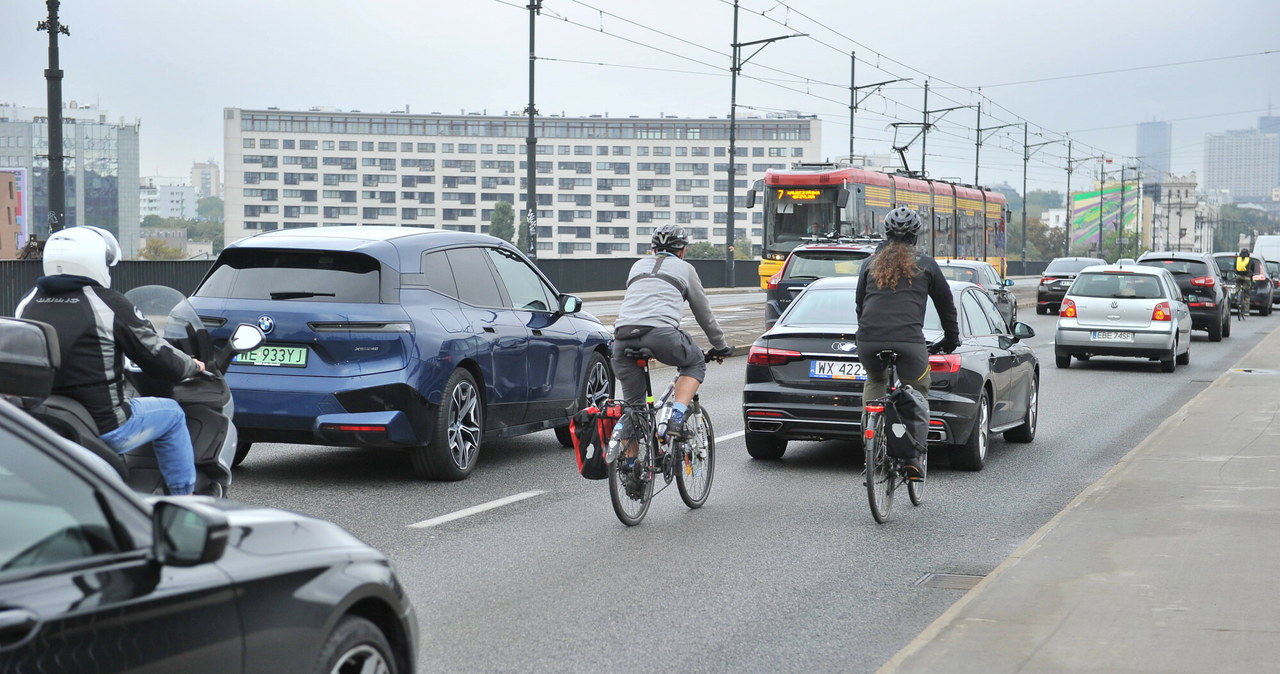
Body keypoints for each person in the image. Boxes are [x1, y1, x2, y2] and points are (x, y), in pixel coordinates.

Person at [16, 226, 205, 495]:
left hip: (41, 422)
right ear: (94, 262)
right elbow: (156, 355)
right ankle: (185, 500)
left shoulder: (27, 303)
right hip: (105, 426)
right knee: (173, 413)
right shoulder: (108, 303)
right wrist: (191, 365)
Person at [855, 207, 961, 479]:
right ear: (916, 235)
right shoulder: (926, 264)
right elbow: (946, 307)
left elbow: (859, 305)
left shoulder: (869, 264)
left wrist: (867, 333)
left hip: (868, 340)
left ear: (886, 234)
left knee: (875, 382)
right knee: (918, 390)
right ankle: (913, 456)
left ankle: (871, 437)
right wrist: (951, 340)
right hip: (909, 344)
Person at [613, 223, 733, 442]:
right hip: (662, 336)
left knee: (634, 410)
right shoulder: (685, 269)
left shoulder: (637, 266)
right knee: (695, 361)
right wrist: (720, 346)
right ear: (683, 250)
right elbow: (703, 314)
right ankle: (676, 416)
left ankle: (630, 467)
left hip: (622, 338)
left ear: (653, 250)